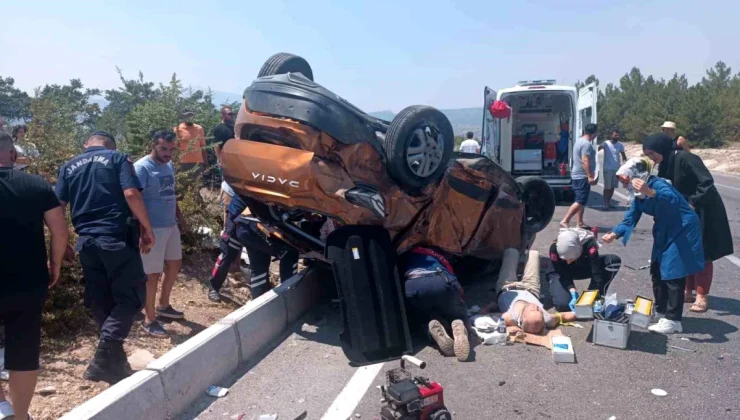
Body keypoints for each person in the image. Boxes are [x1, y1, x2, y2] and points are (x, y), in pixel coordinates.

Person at [55, 131, 155, 384]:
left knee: (102, 300)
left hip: (86, 243)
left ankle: (116, 363)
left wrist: (62, 240)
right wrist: (147, 227)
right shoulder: (117, 158)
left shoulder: (68, 166)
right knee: (132, 298)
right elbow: (131, 194)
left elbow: (57, 206)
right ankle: (101, 358)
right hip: (116, 238)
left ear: (86, 144)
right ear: (111, 144)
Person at [0, 131, 69, 420]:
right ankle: (20, 415)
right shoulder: (36, 184)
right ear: (14, 156)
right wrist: (55, 264)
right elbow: (60, 229)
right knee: (24, 351)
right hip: (28, 281)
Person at [602, 156, 704, 334]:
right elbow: (630, 218)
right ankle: (661, 310)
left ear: (636, 175)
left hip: (682, 228)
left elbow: (671, 199)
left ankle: (674, 320)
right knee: (656, 269)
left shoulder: (657, 185)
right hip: (665, 230)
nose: (623, 184)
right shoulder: (638, 195)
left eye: (625, 179)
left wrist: (650, 192)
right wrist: (614, 233)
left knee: (673, 272)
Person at [642, 133, 733, 313]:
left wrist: (692, 202)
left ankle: (702, 296)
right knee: (684, 249)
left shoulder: (686, 158)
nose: (651, 158)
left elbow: (706, 182)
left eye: (652, 153)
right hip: (683, 210)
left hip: (702, 209)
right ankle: (688, 291)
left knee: (702, 252)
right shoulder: (665, 164)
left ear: (661, 149)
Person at [134, 131, 187, 337]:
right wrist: (143, 231)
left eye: (171, 150)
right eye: (164, 149)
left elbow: (170, 192)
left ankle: (163, 305)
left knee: (175, 263)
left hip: (169, 224)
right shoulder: (142, 168)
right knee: (152, 274)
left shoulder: (168, 165)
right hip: (152, 227)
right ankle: (149, 318)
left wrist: (179, 218)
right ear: (153, 145)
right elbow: (134, 201)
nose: (168, 154)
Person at [207, 194, 298, 302]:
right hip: (238, 217)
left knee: (260, 263)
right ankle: (213, 287)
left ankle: (260, 299)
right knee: (227, 254)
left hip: (254, 222)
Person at [401, 247, 470, 362]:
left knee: (419, 320)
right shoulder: (436, 256)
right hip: (440, 281)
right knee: (456, 313)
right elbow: (458, 287)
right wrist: (460, 303)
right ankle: (459, 325)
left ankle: (430, 333)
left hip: (413, 286)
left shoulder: (404, 256)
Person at [492, 249, 576, 335]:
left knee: (511, 252)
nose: (536, 307)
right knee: (534, 254)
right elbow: (564, 316)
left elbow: (485, 317)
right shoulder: (547, 318)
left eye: (533, 311)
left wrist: (488, 307)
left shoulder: (510, 317)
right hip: (530, 288)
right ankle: (522, 260)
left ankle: (517, 259)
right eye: (539, 311)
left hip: (507, 287)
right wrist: (583, 310)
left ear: (522, 319)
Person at [549, 228, 622, 311]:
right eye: (565, 259)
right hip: (560, 273)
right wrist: (572, 291)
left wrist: (592, 294)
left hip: (580, 266)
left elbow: (596, 270)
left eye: (571, 259)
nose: (568, 262)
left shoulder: (589, 243)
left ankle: (597, 296)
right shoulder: (554, 249)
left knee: (613, 261)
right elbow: (562, 273)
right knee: (563, 305)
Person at [560, 123, 598, 228]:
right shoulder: (586, 144)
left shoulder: (579, 140)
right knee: (580, 200)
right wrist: (590, 176)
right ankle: (565, 220)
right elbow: (585, 160)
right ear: (594, 133)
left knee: (581, 200)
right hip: (582, 176)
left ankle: (579, 222)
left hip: (577, 174)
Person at [173, 109, 207, 180]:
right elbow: (175, 148)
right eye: (187, 115)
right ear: (183, 117)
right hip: (183, 163)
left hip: (197, 163)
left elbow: (203, 146)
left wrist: (206, 163)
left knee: (197, 186)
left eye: (191, 115)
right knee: (184, 187)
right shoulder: (178, 129)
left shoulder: (199, 129)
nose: (189, 117)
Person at [598, 130, 627, 210]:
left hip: (616, 169)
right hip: (607, 168)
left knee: (612, 187)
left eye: (618, 135)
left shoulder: (620, 145)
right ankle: (605, 204)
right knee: (607, 187)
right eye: (615, 135)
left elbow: (623, 155)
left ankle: (609, 202)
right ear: (611, 135)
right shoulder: (605, 143)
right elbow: (597, 149)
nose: (617, 137)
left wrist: (626, 164)